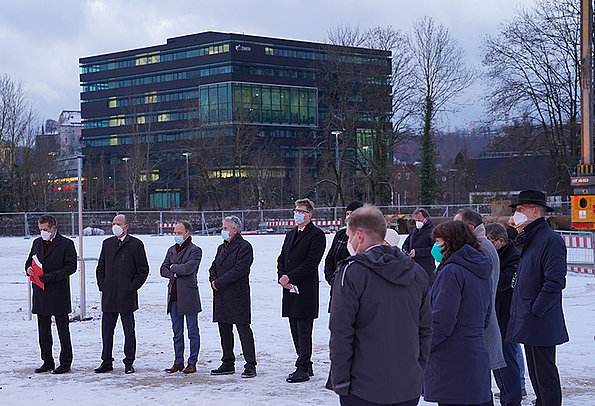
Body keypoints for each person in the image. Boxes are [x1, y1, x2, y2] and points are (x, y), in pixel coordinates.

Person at [328, 206, 431, 406]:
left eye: (349, 236)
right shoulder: (417, 272)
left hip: (362, 389)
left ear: (359, 236)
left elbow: (341, 331)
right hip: (406, 385)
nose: (348, 242)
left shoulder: (352, 271)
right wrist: (417, 371)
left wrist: (340, 382)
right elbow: (426, 330)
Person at [507, 190, 569, 406]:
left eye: (520, 209)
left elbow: (555, 282)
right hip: (530, 318)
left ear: (536, 211)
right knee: (536, 374)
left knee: (545, 374)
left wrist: (536, 309)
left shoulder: (550, 240)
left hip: (539, 319)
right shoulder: (531, 238)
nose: (516, 214)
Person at [423, 220, 493, 406]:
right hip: (475, 355)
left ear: (451, 242)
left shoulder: (452, 272)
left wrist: (422, 347)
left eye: (439, 242)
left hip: (451, 361)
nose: (436, 247)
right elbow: (486, 315)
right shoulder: (480, 268)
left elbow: (442, 321)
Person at [277, 198, 326, 383]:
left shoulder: (316, 235)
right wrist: (282, 277)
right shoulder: (291, 234)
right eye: (295, 210)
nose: (297, 214)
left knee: (304, 329)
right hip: (289, 288)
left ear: (309, 215)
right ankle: (305, 361)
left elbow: (311, 262)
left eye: (301, 211)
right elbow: (282, 257)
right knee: (294, 328)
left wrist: (291, 277)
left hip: (305, 289)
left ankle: (303, 368)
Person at [94, 214, 149, 374]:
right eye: (113, 223)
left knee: (129, 330)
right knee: (106, 331)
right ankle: (106, 361)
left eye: (118, 223)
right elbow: (100, 267)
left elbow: (143, 270)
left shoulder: (136, 245)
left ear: (126, 226)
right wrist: (103, 285)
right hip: (109, 296)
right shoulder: (107, 244)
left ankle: (129, 361)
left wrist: (131, 287)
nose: (115, 226)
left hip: (126, 296)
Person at [454, 208, 506, 374]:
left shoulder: (480, 247)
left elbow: (477, 290)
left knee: (478, 385)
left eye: (456, 225)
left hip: (478, 325)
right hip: (479, 324)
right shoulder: (478, 245)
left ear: (469, 228)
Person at [25, 215, 77, 374]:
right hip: (41, 292)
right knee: (43, 330)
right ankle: (47, 361)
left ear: (53, 228)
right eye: (40, 230)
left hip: (58, 292)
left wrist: (52, 276)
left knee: (63, 330)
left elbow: (71, 267)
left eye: (45, 229)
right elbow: (29, 261)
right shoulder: (36, 243)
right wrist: (28, 269)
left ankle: (65, 362)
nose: (42, 232)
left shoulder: (67, 244)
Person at [209, 216, 257, 378]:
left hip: (237, 295)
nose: (222, 231)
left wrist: (219, 282)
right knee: (224, 329)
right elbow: (213, 266)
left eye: (225, 228)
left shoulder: (244, 247)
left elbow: (239, 270)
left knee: (243, 329)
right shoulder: (221, 248)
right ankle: (228, 362)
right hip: (221, 295)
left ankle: (250, 364)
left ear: (235, 230)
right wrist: (213, 280)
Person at [486, 222, 522, 406]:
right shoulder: (498, 253)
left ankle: (513, 400)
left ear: (501, 241)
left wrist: (490, 265)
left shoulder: (513, 256)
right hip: (495, 315)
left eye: (489, 241)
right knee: (497, 363)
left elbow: (505, 283)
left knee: (507, 362)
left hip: (507, 317)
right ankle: (507, 397)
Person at [160, 221, 202, 374]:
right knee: (177, 332)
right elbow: (162, 269)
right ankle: (178, 361)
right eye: (175, 232)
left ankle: (192, 362)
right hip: (174, 297)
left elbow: (189, 268)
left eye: (179, 232)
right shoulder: (171, 250)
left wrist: (173, 268)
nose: (176, 235)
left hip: (189, 296)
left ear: (187, 234)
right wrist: (176, 272)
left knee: (192, 331)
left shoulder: (195, 250)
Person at [401, 208, 436, 284]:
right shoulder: (414, 229)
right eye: (415, 221)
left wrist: (417, 252)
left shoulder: (432, 231)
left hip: (426, 267)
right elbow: (407, 241)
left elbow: (433, 249)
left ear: (426, 219)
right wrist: (405, 249)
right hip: (413, 266)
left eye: (419, 220)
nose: (417, 223)